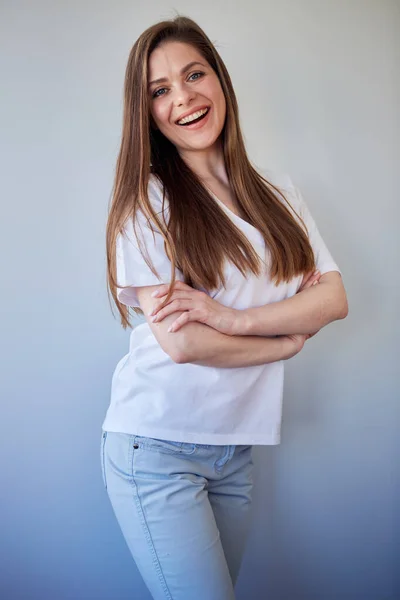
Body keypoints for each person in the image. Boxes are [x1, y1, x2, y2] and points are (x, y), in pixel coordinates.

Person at [100, 15, 348, 600]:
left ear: (220, 80)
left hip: (235, 450)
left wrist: (236, 321)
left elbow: (333, 299)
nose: (183, 98)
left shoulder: (277, 194)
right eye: (160, 90)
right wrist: (285, 339)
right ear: (147, 112)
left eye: (194, 74)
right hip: (156, 448)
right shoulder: (147, 206)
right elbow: (183, 344)